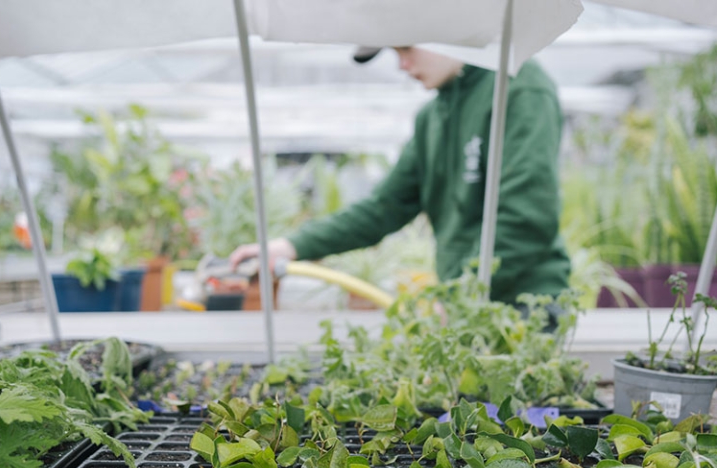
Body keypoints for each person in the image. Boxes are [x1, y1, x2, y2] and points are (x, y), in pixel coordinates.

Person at [230, 46, 570, 308]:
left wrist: (461, 295)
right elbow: (384, 207)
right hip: (466, 305)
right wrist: (291, 246)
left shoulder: (520, 89)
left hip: (524, 308)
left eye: (406, 48)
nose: (401, 65)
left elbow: (526, 217)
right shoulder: (433, 117)